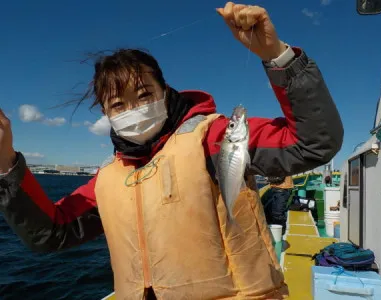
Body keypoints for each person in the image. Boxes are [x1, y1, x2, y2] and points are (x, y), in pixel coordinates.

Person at [0, 2, 343, 299]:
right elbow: (50, 234)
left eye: (145, 95)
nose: (133, 109)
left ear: (165, 91)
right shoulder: (107, 179)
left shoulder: (214, 138)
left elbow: (313, 143)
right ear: (106, 114)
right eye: (118, 104)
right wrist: (5, 161)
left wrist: (277, 56)